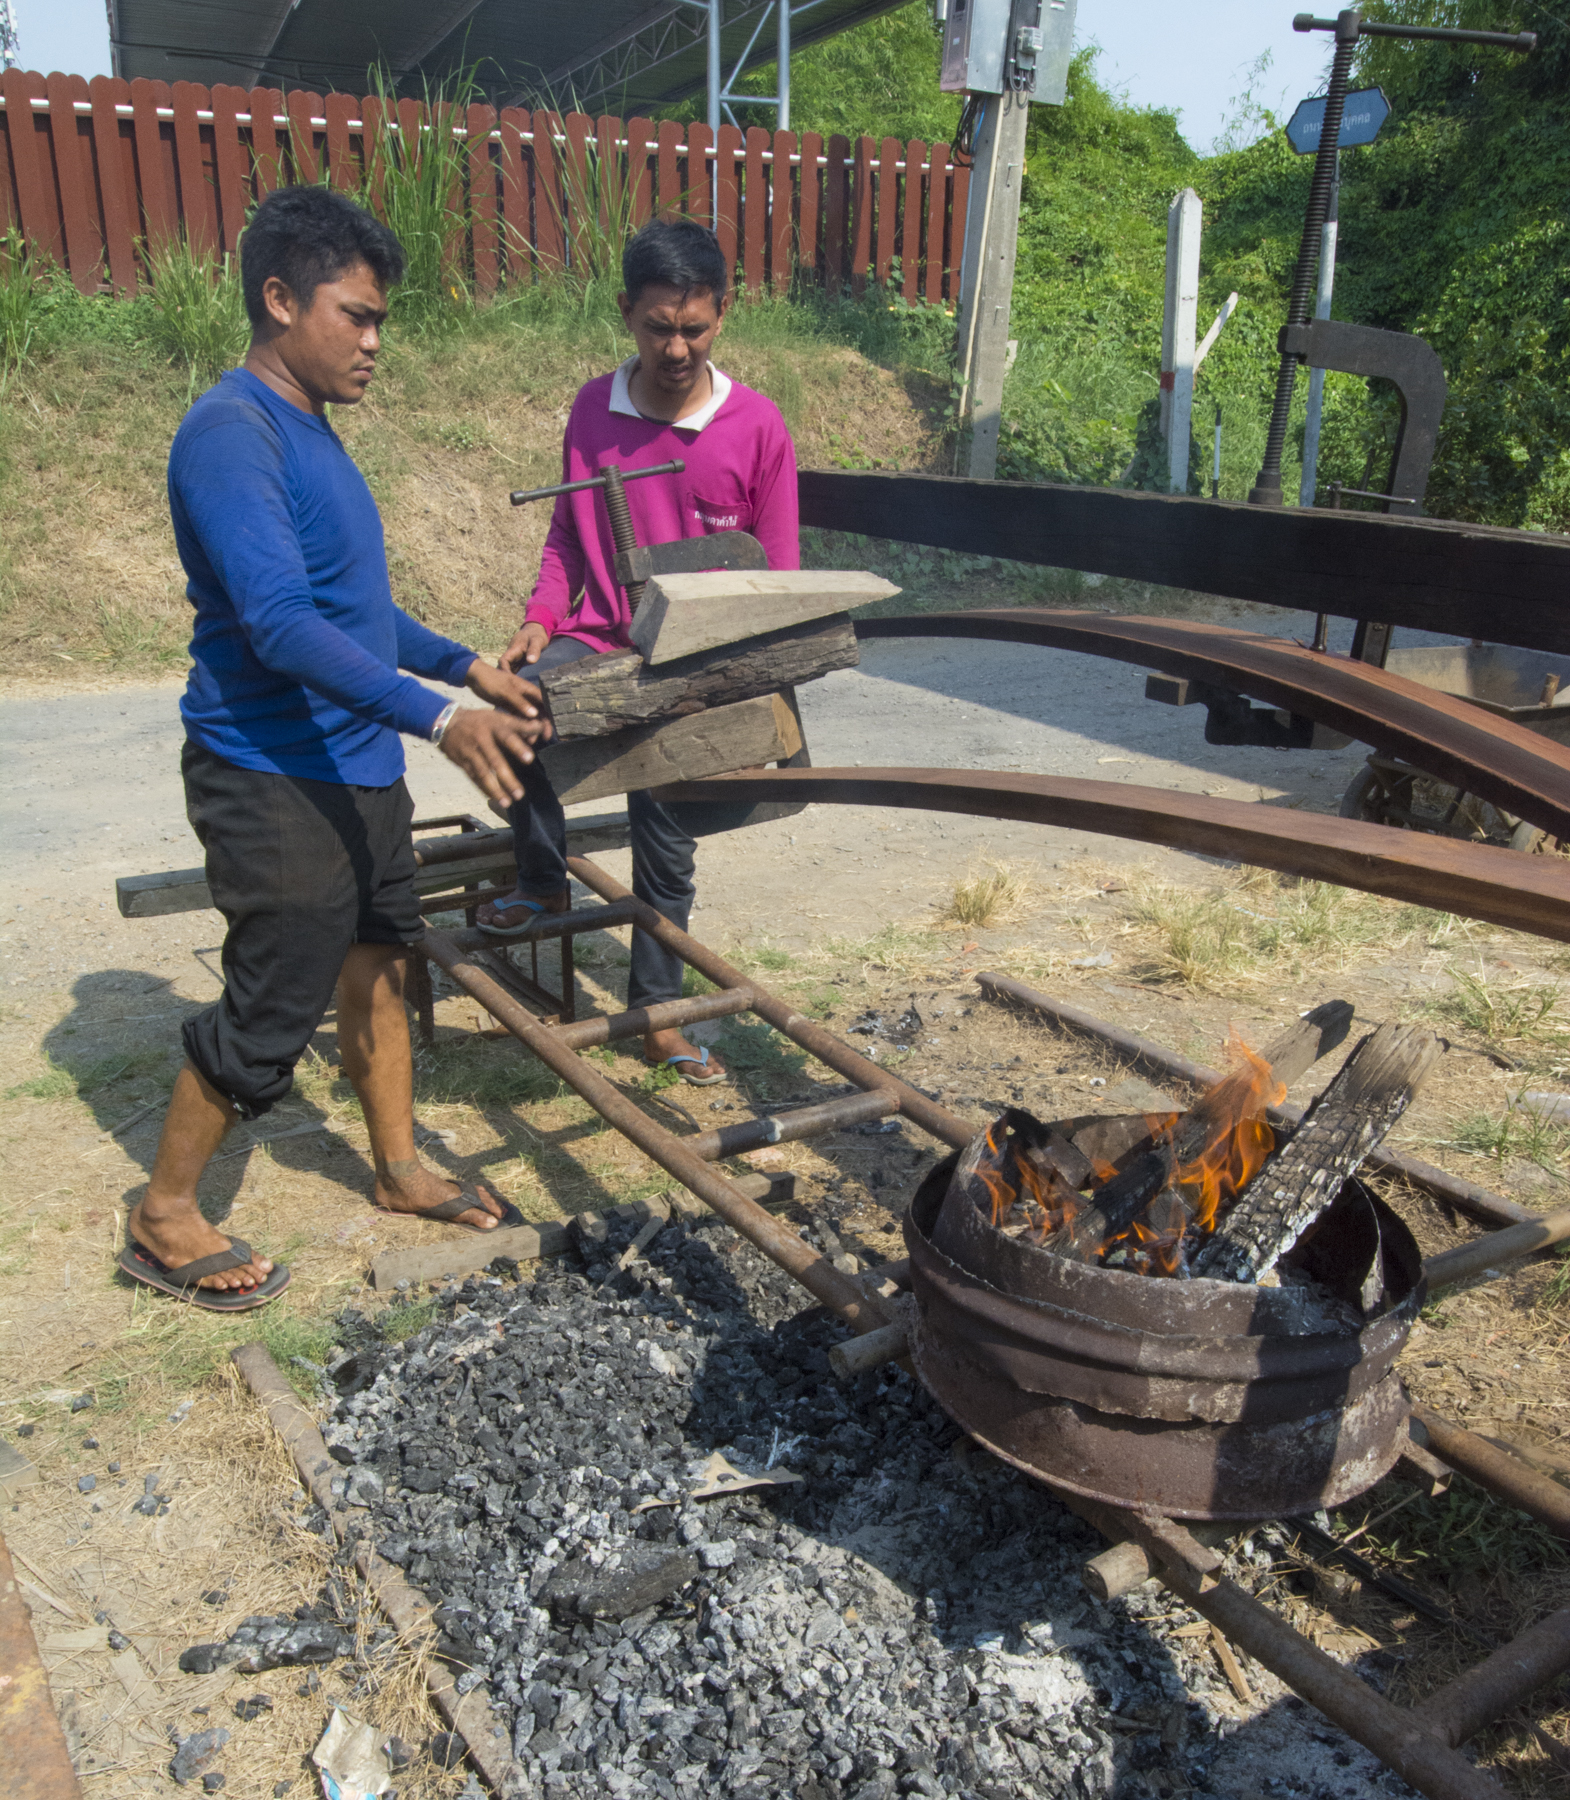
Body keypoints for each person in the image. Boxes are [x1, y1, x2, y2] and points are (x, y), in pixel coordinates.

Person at [120, 186, 553, 1312]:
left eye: (381, 322)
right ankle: (164, 1213)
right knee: (276, 997)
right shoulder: (231, 432)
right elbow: (276, 622)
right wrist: (440, 718)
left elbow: (355, 615)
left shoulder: (309, 432)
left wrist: (464, 666)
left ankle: (399, 1164)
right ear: (278, 298)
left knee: (379, 959)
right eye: (355, 315)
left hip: (354, 767)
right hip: (270, 771)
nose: (373, 341)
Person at [477, 218, 799, 1086]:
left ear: (724, 314)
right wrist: (543, 618)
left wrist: (730, 675)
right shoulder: (593, 409)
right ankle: (542, 876)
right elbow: (565, 539)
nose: (676, 347)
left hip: (698, 657)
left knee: (667, 827)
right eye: (658, 326)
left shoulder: (757, 427)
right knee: (515, 704)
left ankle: (656, 1012)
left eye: (694, 327)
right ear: (626, 312)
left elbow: (779, 575)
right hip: (605, 634)